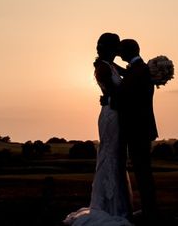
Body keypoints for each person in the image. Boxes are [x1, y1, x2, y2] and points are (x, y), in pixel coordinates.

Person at [63, 33, 133, 226]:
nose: (119, 50)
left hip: (115, 112)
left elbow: (128, 75)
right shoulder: (102, 67)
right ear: (111, 48)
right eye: (117, 47)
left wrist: (146, 71)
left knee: (116, 156)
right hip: (111, 114)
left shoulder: (109, 65)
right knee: (110, 155)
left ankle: (116, 203)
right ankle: (109, 205)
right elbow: (116, 92)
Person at [116, 38, 158, 222]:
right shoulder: (139, 68)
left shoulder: (139, 71)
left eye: (120, 50)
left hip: (137, 128)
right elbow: (129, 77)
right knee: (143, 171)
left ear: (127, 51)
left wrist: (109, 101)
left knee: (143, 172)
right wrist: (114, 67)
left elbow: (127, 94)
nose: (118, 53)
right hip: (142, 127)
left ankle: (150, 212)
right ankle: (149, 209)